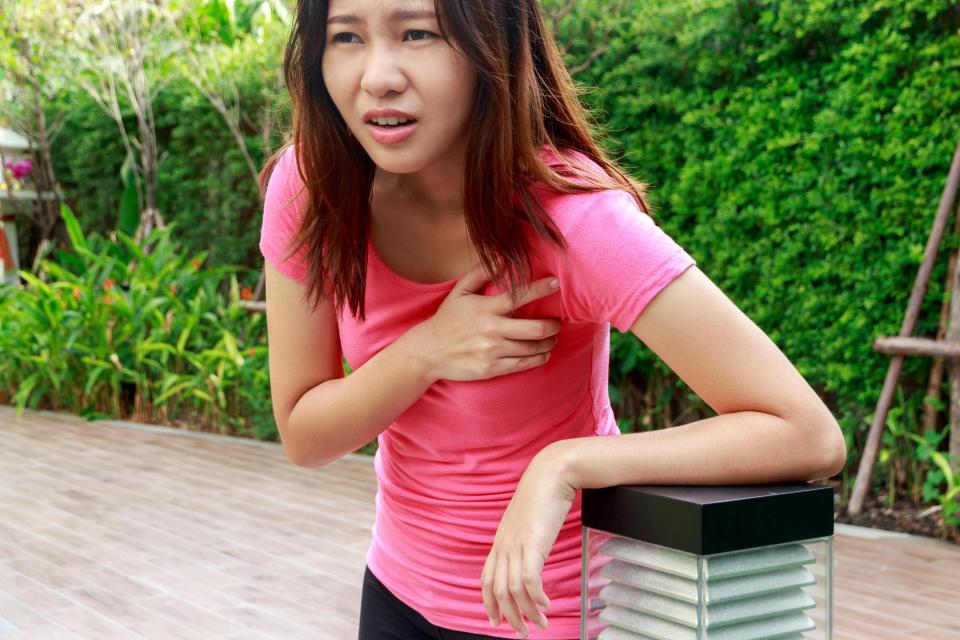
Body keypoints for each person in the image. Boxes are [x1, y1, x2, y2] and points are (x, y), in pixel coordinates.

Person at [257, 1, 847, 638]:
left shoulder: (574, 220)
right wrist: (427, 349)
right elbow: (303, 432)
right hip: (396, 597)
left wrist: (565, 464)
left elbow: (806, 433)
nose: (377, 76)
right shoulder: (311, 187)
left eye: (418, 33)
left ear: (494, 44)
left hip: (551, 614)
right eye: (346, 36)